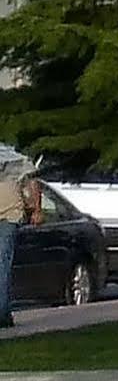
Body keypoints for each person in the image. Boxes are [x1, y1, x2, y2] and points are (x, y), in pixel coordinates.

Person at [0, 138, 34, 328]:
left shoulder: (16, 162)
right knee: (2, 264)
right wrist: (34, 207)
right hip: (11, 216)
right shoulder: (17, 161)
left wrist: (35, 208)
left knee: (2, 264)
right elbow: (31, 185)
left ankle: (2, 313)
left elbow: (31, 185)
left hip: (10, 217)